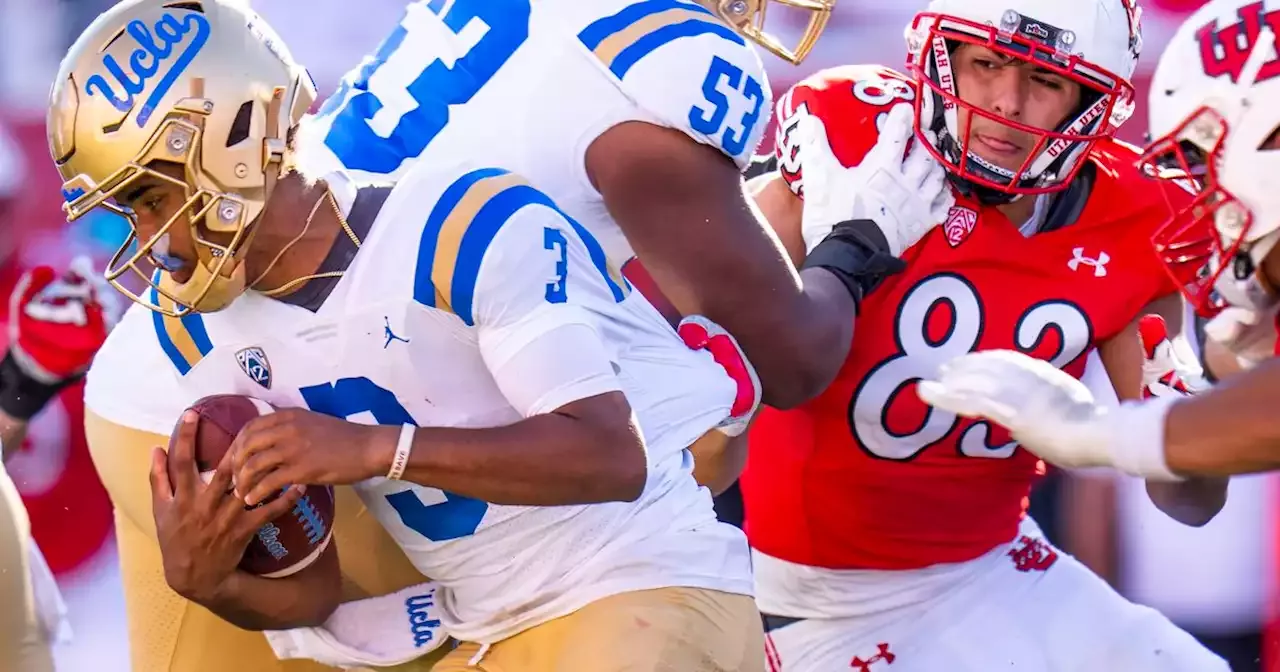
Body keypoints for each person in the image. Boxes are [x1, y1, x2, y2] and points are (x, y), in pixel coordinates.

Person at [57, 1, 764, 670]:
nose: (145, 240)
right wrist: (210, 581)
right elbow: (315, 591)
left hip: (643, 585)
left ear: (230, 141)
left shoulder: (460, 223)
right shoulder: (201, 339)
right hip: (493, 630)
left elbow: (610, 456)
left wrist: (372, 450)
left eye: (149, 199)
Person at [737, 0, 1231, 669]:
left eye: (1046, 81)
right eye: (987, 63)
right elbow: (716, 360)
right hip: (810, 598)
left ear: (1091, 99)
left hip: (996, 563)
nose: (1009, 102)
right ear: (942, 58)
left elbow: (1190, 503)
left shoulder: (1136, 213)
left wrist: (1192, 400)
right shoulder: (861, 148)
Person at [298, 0, 942, 410]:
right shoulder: (663, 59)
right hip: (374, 388)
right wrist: (860, 235)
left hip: (266, 338)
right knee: (677, 435)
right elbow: (793, 362)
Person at [917, 5, 1280, 482]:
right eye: (987, 64)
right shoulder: (875, 147)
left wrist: (1093, 432)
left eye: (1208, 153)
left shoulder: (1130, 208)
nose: (1204, 196)